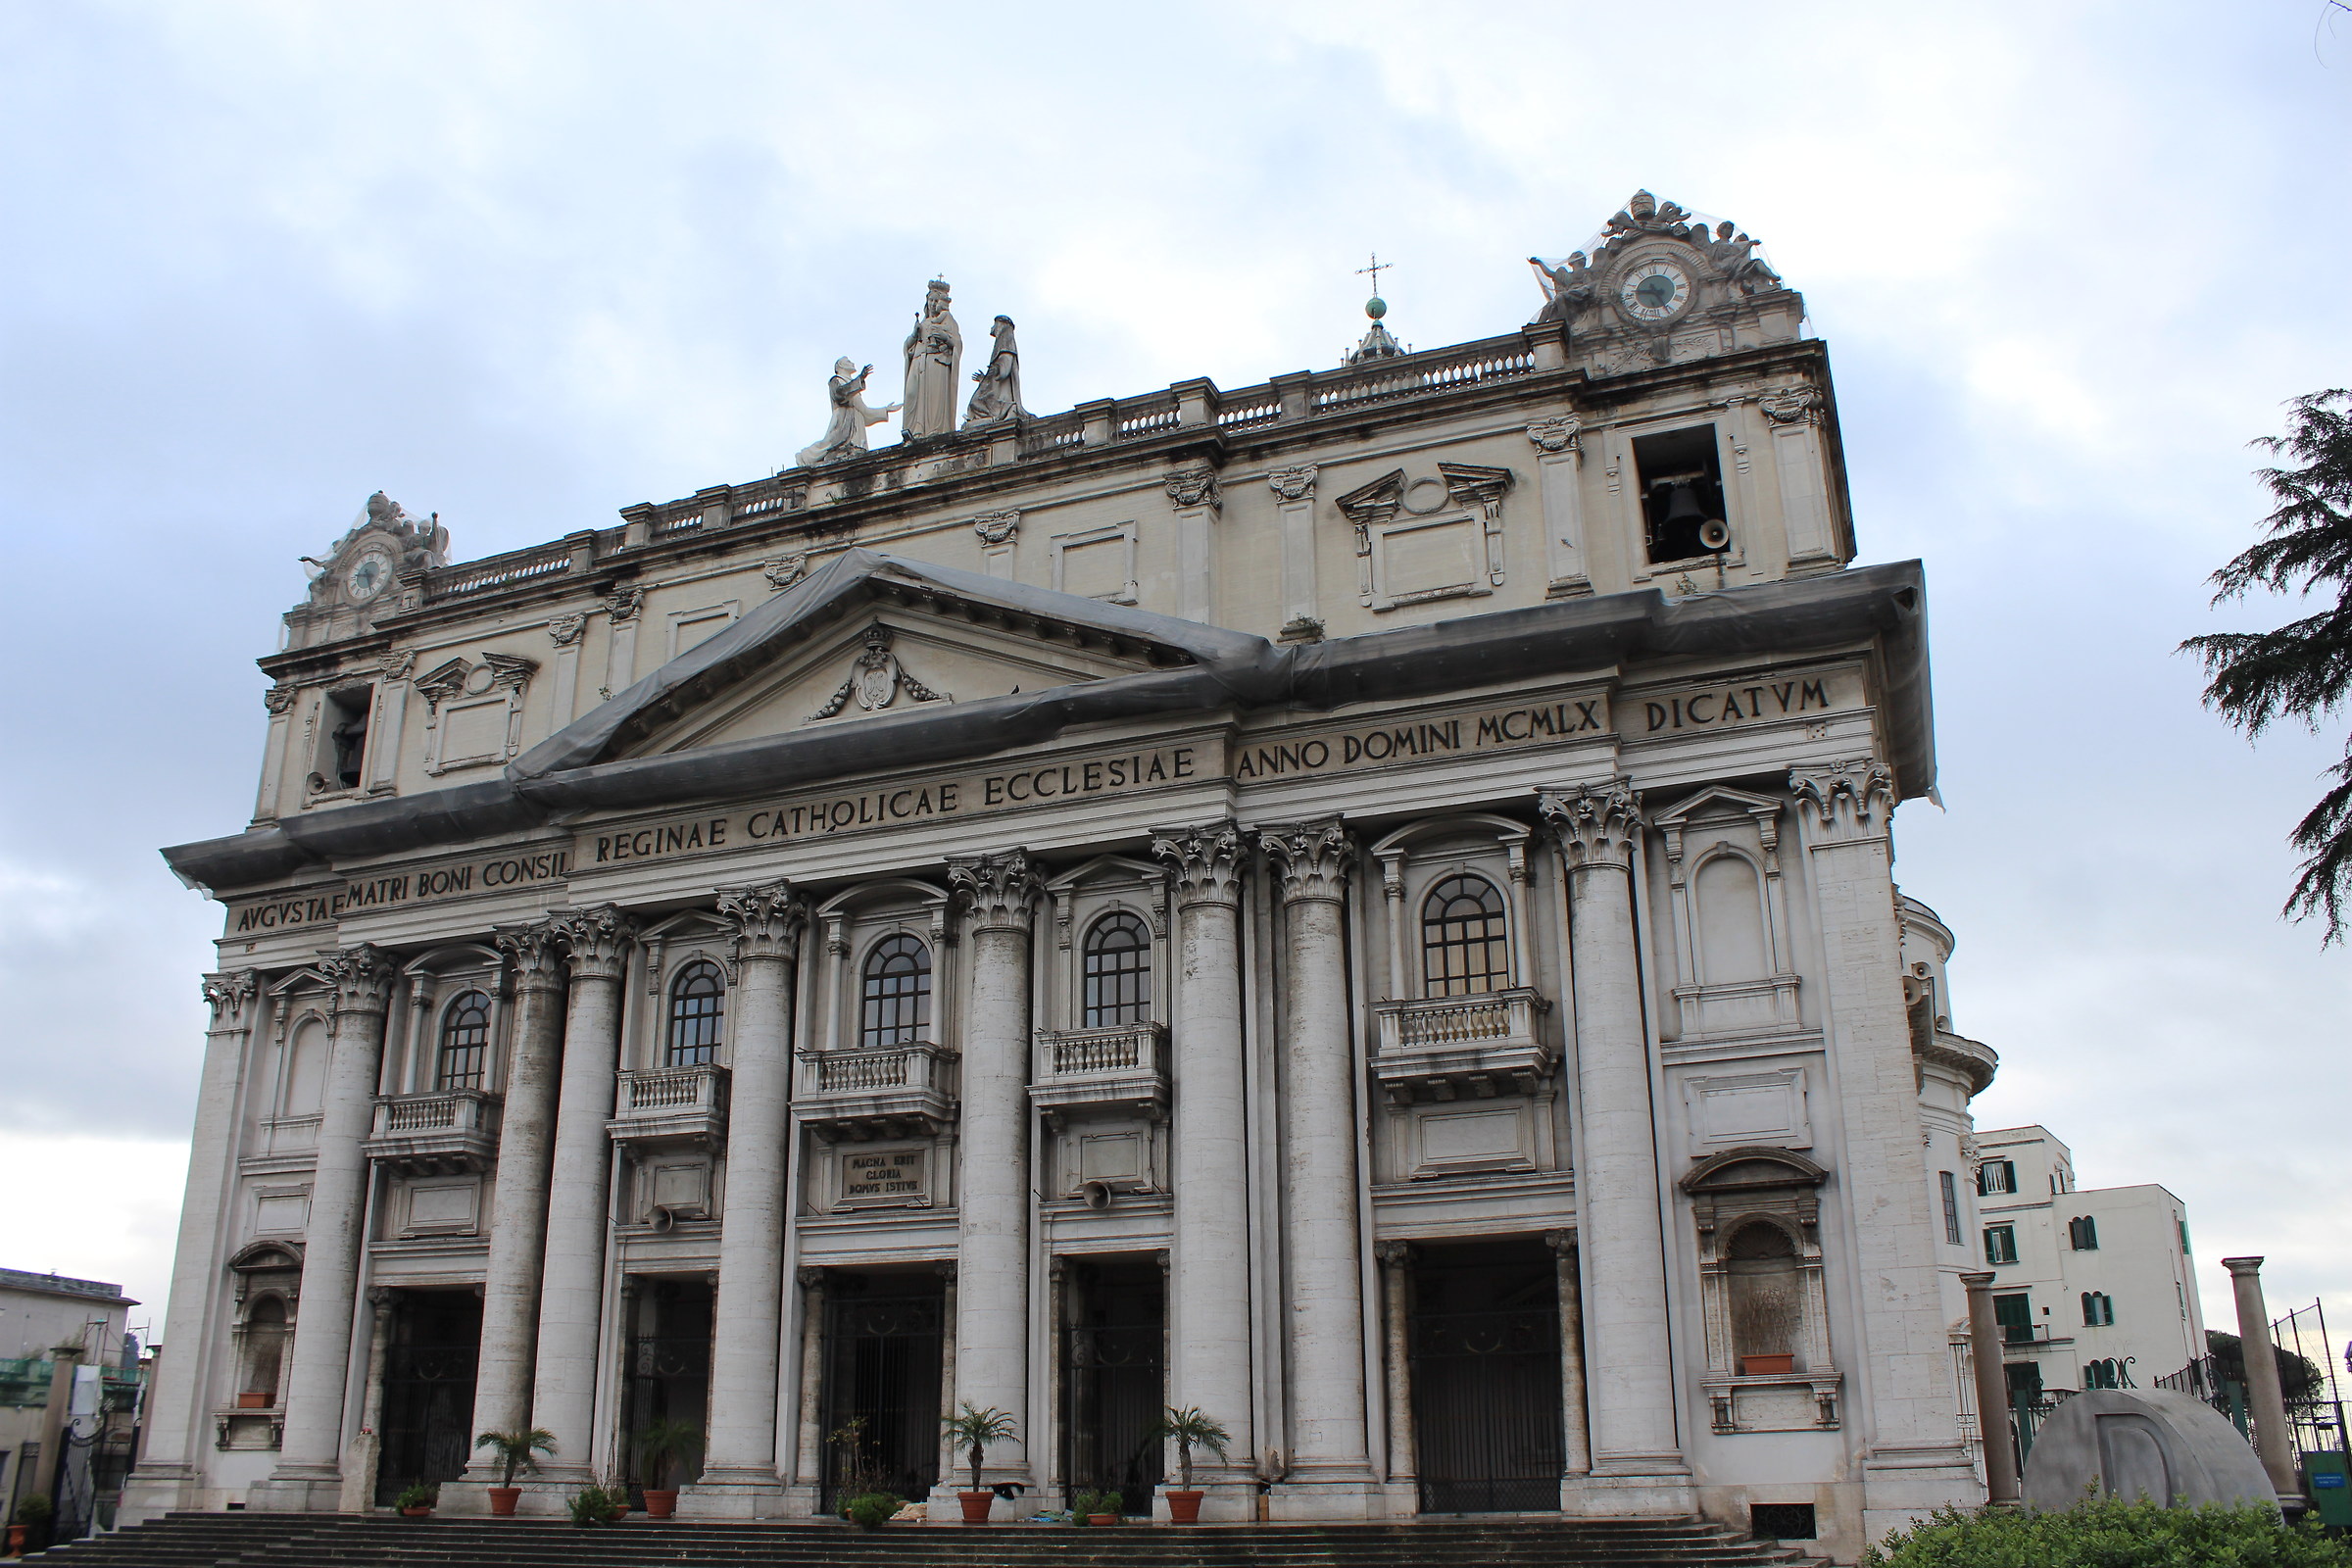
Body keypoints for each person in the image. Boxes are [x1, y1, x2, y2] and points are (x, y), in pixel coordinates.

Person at [794, 359, 900, 468]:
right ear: (840, 365)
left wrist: (886, 409)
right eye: (848, 361)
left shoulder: (855, 388)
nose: (852, 363)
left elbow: (864, 411)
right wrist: (859, 379)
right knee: (829, 445)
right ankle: (805, 457)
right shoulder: (836, 381)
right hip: (843, 423)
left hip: (856, 426)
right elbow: (839, 395)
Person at [900, 279, 963, 438]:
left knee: (934, 400)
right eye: (931, 300)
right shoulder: (922, 323)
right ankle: (915, 429)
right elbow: (907, 346)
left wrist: (944, 337)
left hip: (936, 363)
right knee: (912, 394)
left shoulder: (949, 321)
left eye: (936, 301)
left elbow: (957, 344)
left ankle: (935, 431)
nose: (933, 304)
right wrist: (914, 334)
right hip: (918, 362)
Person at [962, 314, 1027, 427]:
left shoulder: (1006, 341)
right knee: (975, 404)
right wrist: (983, 379)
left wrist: (998, 370)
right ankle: (995, 417)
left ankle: (998, 416)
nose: (992, 328)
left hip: (999, 393)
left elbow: (1005, 366)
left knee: (975, 404)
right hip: (994, 389)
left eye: (995, 324)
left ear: (1001, 325)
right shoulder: (1001, 343)